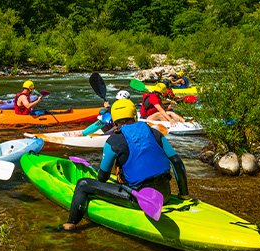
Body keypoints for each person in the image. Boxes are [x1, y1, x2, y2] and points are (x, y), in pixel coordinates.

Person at [62, 99, 190, 231]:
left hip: (138, 199)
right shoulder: (154, 132)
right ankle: (184, 194)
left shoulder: (114, 140)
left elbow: (102, 178)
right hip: (165, 195)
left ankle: (70, 225)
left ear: (115, 119)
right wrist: (183, 194)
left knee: (83, 184)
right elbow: (176, 162)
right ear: (134, 115)